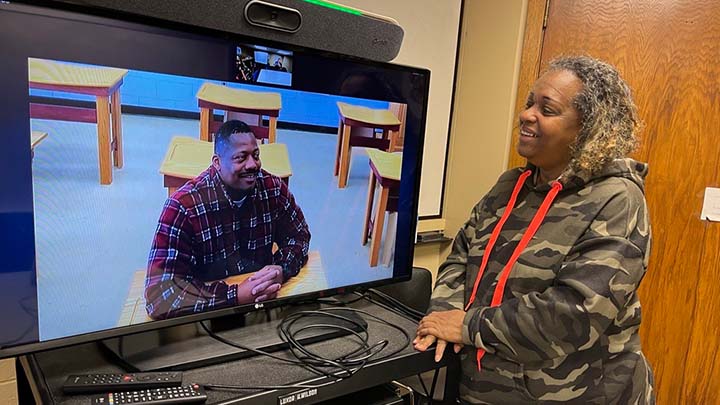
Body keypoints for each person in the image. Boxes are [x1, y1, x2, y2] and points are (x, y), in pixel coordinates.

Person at [414, 56, 654, 404]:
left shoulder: (617, 199)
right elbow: (462, 254)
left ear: (589, 129)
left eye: (547, 108)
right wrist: (443, 315)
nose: (527, 115)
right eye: (529, 102)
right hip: (483, 390)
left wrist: (466, 327)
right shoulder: (510, 185)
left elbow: (574, 314)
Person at [145, 120, 310, 320]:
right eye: (241, 158)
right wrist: (235, 297)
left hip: (264, 304)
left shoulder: (272, 188)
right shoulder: (183, 207)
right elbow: (160, 296)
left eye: (256, 156)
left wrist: (282, 268)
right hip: (207, 318)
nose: (252, 165)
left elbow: (299, 235)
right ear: (217, 163)